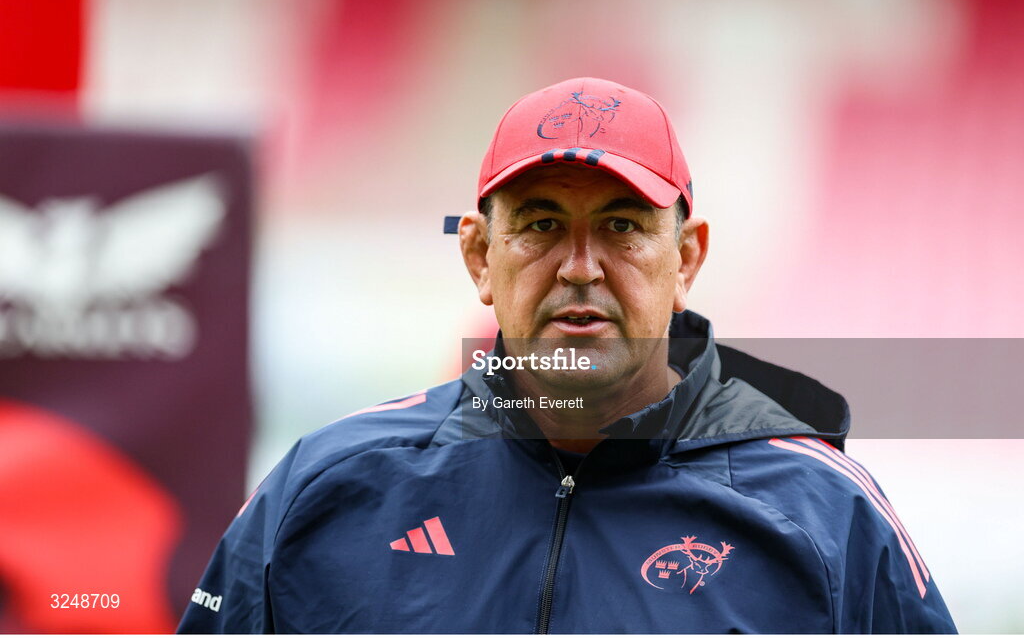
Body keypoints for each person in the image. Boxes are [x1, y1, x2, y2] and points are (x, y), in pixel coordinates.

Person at [178, 77, 957, 633]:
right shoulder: (327, 489)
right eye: (542, 223)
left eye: (622, 226)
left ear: (685, 260)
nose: (581, 266)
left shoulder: (826, 515)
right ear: (480, 258)